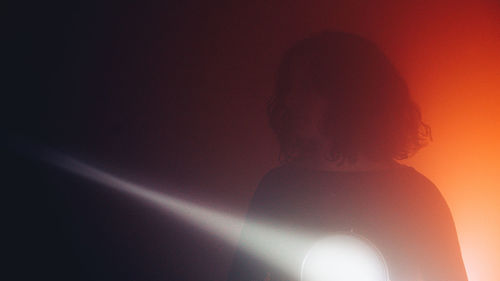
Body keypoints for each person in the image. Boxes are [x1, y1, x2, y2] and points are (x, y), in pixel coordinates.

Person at [226, 31, 468, 281]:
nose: (290, 100)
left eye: (306, 87)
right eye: (290, 88)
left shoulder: (418, 196)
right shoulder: (278, 188)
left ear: (349, 94)